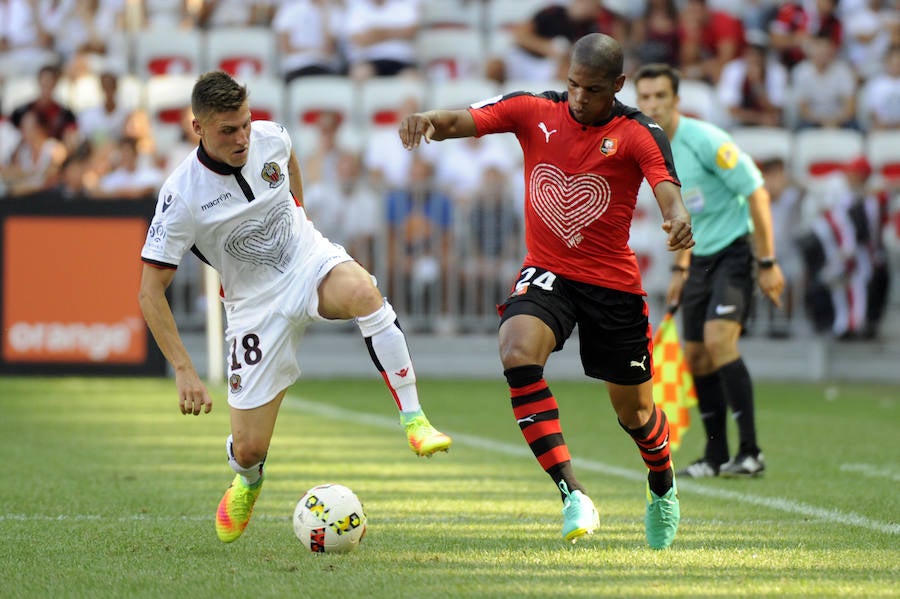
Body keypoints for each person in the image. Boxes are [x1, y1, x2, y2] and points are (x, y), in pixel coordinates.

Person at [399, 33, 694, 549]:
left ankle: (662, 482)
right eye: (574, 85)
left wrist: (677, 218)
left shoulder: (638, 132)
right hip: (547, 272)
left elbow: (666, 190)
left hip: (611, 286)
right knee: (516, 352)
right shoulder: (532, 109)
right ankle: (573, 494)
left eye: (594, 89)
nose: (579, 98)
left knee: (636, 415)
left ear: (619, 85)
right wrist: (426, 120)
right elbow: (459, 121)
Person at [138, 71, 451, 544]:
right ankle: (247, 479)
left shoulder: (271, 137)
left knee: (366, 292)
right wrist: (183, 368)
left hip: (308, 261)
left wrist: (301, 215)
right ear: (197, 128)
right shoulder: (181, 195)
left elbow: (289, 163)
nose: (243, 137)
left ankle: (414, 418)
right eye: (228, 130)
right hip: (253, 305)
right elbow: (149, 291)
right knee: (249, 447)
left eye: (245, 123)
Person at [634, 63, 785, 479]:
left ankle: (751, 452)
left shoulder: (708, 141)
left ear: (676, 100)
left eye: (660, 96)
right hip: (698, 261)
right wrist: (682, 268)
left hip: (735, 253)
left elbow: (756, 192)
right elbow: (685, 215)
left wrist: (767, 262)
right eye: (644, 97)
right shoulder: (653, 148)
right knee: (697, 357)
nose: (651, 104)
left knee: (720, 342)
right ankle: (716, 457)